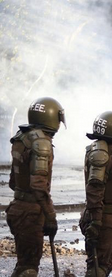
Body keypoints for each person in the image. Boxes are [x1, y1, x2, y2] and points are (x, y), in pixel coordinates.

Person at [6, 97, 66, 277]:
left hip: (17, 208)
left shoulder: (22, 137)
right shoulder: (41, 142)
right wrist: (50, 216)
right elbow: (39, 185)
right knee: (29, 270)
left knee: (24, 265)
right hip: (31, 212)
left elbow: (13, 182)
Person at [79, 111, 112, 277]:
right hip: (103, 216)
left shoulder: (104, 149)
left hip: (104, 214)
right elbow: (95, 189)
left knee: (101, 265)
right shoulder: (102, 153)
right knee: (98, 269)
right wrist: (96, 221)